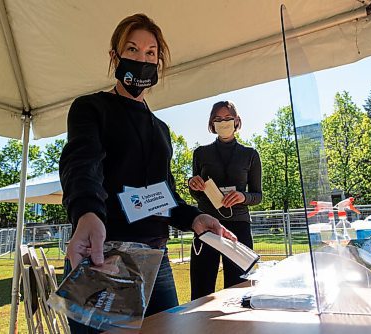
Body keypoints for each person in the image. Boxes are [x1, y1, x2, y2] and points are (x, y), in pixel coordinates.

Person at [59, 13, 236, 333]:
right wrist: (86, 211)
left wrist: (194, 218)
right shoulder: (91, 108)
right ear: (114, 56)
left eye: (151, 52)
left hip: (156, 260)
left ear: (159, 62)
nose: (142, 59)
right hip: (105, 257)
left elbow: (163, 195)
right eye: (132, 49)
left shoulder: (160, 130)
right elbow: (82, 162)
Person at [188, 101, 262, 300]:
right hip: (207, 226)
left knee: (239, 288)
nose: (223, 122)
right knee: (201, 287)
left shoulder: (250, 154)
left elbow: (258, 195)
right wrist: (193, 185)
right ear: (212, 123)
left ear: (237, 121)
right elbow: (197, 194)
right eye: (218, 119)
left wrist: (242, 197)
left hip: (239, 226)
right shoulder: (200, 153)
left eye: (228, 118)